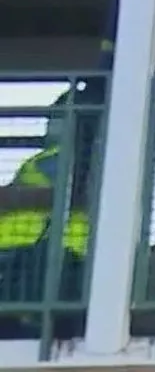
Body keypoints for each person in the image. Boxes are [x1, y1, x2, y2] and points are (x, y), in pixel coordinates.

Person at [0, 79, 102, 339]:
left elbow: (71, 192)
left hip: (34, 256)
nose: (50, 125)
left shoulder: (59, 156)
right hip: (46, 259)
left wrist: (10, 197)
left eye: (56, 118)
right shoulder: (96, 159)